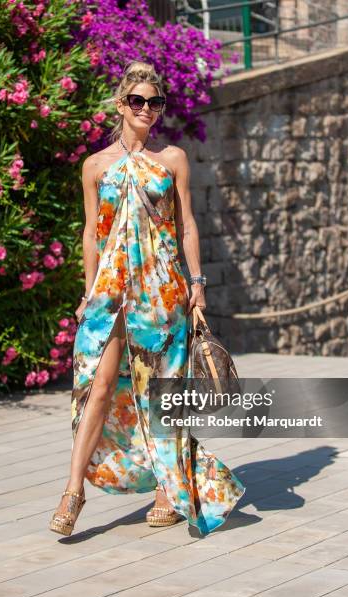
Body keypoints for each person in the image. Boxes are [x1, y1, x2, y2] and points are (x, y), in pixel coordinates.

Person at [49, 60, 245, 537]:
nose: (147, 110)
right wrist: (87, 291)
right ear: (121, 105)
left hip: (162, 290)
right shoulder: (94, 166)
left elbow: (187, 226)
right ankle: (72, 490)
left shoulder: (172, 158)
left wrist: (197, 284)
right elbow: (91, 234)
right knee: (97, 387)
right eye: (137, 101)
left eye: (155, 102)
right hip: (111, 291)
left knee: (162, 393)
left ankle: (167, 489)